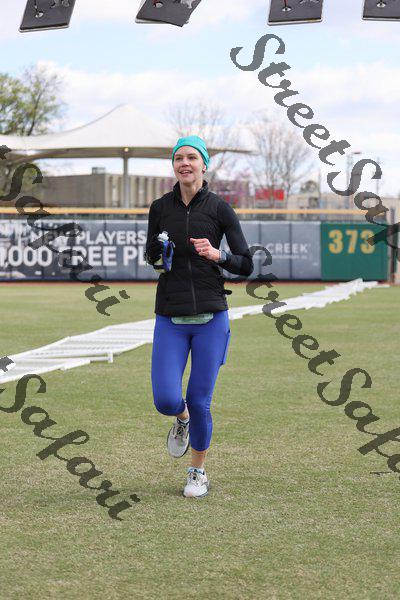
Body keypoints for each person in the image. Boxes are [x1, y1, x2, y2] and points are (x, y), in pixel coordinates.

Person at [145, 135, 254, 498]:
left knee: (199, 399)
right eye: (179, 158)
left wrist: (218, 255)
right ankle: (181, 420)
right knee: (165, 399)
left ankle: (197, 472)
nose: (185, 163)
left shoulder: (220, 209)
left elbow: (246, 264)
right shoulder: (160, 208)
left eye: (192, 157)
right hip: (170, 316)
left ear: (204, 165)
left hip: (211, 317)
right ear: (174, 166)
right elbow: (151, 256)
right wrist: (158, 252)